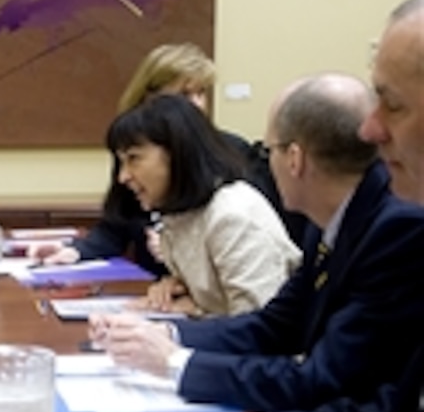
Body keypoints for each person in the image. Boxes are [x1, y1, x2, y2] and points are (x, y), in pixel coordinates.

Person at [127, 0, 424, 412]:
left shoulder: (400, 227)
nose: (369, 130)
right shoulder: (342, 221)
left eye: (391, 104)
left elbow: (330, 383)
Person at [92, 71, 424, 412]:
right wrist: (165, 337)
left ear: (294, 159)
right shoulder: (335, 222)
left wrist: (176, 362)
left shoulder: (394, 228)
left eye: (267, 151)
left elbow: (324, 381)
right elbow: (275, 324)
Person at [34, 43, 307, 272]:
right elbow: (117, 222)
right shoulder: (132, 153)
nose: (197, 104)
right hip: (157, 288)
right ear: (149, 98)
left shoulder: (231, 152)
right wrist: (75, 252)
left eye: (202, 93)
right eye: (184, 94)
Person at [99, 94, 300, 316]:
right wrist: (176, 291)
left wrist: (195, 312)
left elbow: (260, 329)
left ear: (177, 153)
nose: (123, 177)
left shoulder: (233, 215)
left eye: (134, 158)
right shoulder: (179, 215)